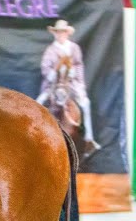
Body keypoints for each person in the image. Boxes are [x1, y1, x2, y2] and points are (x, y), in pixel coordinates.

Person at [35, 19, 99, 153]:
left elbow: (79, 65)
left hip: (71, 82)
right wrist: (54, 72)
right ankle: (37, 136)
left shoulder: (74, 48)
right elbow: (45, 68)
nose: (60, 35)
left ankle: (89, 138)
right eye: (58, 32)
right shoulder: (50, 50)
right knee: (39, 102)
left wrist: (73, 73)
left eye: (63, 32)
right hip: (53, 84)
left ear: (67, 33)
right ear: (55, 33)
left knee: (85, 104)